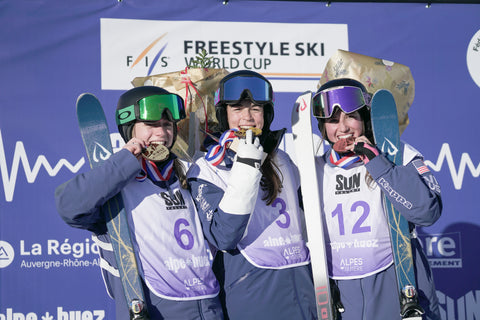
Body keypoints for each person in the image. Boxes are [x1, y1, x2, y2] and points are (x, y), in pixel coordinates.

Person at [55, 86, 224, 320]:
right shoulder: (115, 187)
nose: (162, 133)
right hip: (157, 309)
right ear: (129, 130)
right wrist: (123, 162)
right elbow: (69, 205)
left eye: (167, 125)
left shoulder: (189, 175)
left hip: (209, 306)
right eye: (151, 125)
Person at [186, 70, 317, 320]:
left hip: (302, 293)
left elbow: (308, 222)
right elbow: (224, 236)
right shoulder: (206, 170)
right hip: (252, 299)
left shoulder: (283, 160)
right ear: (224, 115)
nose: (247, 117)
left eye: (256, 109)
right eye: (237, 108)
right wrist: (246, 164)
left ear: (266, 115)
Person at [311, 78, 442, 320]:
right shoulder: (313, 171)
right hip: (342, 289)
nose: (343, 128)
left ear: (365, 118)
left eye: (351, 116)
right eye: (332, 120)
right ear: (322, 127)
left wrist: (378, 164)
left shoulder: (398, 155)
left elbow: (427, 212)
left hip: (394, 279)